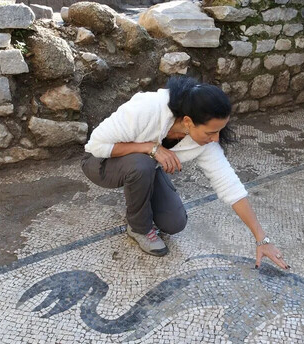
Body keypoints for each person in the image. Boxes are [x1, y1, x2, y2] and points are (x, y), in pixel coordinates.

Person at [81, 76, 289, 270]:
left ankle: (142, 180)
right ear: (188, 121)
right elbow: (95, 146)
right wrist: (150, 148)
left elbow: (229, 185)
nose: (216, 139)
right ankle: (139, 227)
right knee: (141, 165)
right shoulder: (147, 108)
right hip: (100, 162)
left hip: (146, 165)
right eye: (211, 132)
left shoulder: (205, 141)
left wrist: (262, 239)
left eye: (219, 131)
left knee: (174, 223)